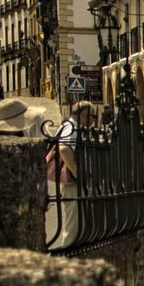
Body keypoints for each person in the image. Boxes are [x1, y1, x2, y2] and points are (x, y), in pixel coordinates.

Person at [45, 101, 95, 251]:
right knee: (73, 226)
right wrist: (77, 173)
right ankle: (66, 256)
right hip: (73, 184)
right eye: (92, 117)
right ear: (84, 115)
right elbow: (64, 149)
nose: (93, 121)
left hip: (73, 184)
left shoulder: (69, 126)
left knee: (78, 224)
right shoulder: (72, 128)